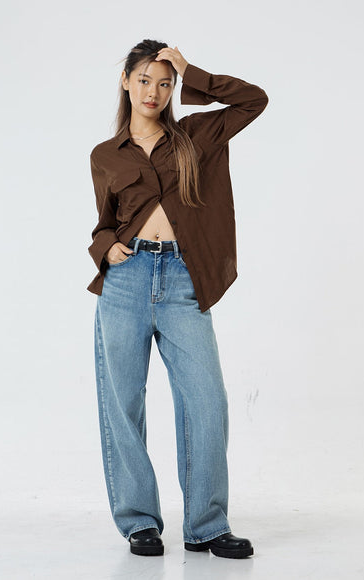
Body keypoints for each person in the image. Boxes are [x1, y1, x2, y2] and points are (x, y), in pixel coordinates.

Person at [87, 39, 268, 559]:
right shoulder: (105, 155)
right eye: (145, 79)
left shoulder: (195, 136)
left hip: (183, 281)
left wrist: (192, 71)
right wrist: (106, 247)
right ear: (126, 81)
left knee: (207, 401)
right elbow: (104, 223)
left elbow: (253, 100)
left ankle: (206, 525)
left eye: (165, 83)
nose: (154, 91)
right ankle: (139, 522)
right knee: (123, 403)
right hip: (125, 282)